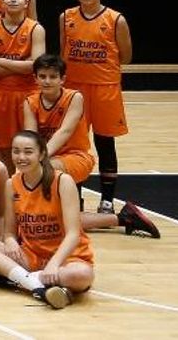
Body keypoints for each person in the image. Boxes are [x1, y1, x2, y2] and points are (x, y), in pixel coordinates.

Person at [23, 56, 158, 239]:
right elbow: (31, 137)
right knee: (51, 220)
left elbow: (65, 131)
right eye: (43, 76)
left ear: (62, 79)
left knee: (46, 170)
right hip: (46, 157)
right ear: (35, 78)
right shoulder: (30, 102)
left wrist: (38, 158)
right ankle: (124, 218)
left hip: (76, 157)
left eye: (52, 77)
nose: (47, 81)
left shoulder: (74, 97)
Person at [0, 130, 92, 309]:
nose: (21, 157)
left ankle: (18, 279)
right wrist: (10, 241)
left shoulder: (63, 181)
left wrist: (54, 264)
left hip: (66, 258)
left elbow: (73, 234)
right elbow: (10, 232)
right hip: (31, 256)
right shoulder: (12, 184)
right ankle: (36, 284)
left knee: (82, 275)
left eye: (28, 151)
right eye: (16, 151)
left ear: (41, 154)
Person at [58, 0, 132, 213]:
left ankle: (107, 200)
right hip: (74, 88)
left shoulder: (115, 19)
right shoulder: (66, 17)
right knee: (74, 145)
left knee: (105, 142)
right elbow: (63, 53)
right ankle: (75, 199)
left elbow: (127, 56)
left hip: (104, 88)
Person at [0, 0, 45, 158]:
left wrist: (0, 61)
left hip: (30, 94)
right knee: (5, 147)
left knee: (33, 144)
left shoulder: (35, 28)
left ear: (26, 2)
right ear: (2, 2)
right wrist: (22, 67)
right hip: (2, 94)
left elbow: (36, 66)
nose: (13, 0)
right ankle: (10, 184)